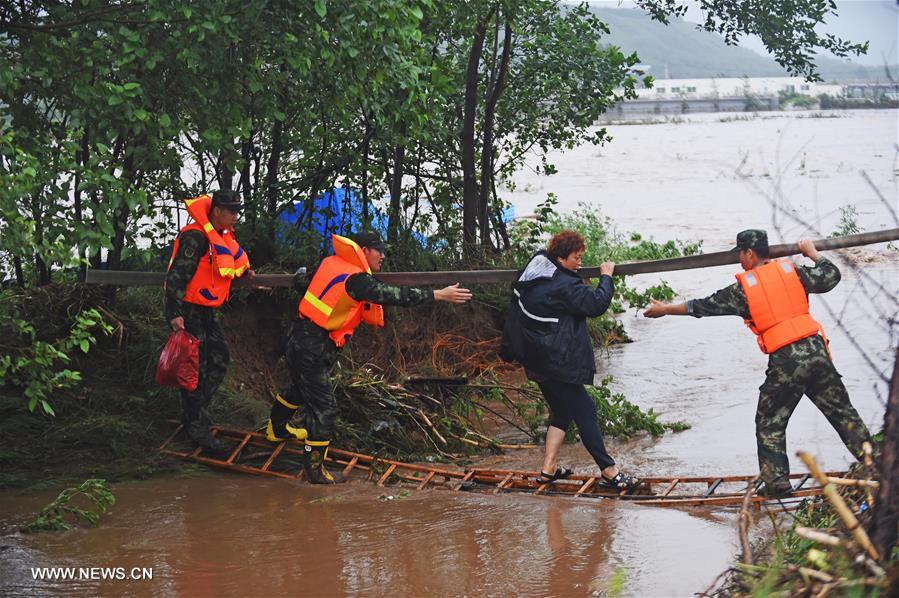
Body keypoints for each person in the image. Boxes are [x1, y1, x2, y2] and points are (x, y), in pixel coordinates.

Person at [643, 229, 872, 497]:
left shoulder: (744, 290)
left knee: (770, 421)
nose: (739, 261)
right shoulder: (793, 273)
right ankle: (875, 463)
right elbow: (831, 275)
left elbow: (702, 306)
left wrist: (665, 309)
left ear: (749, 253)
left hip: (788, 361)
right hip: (817, 351)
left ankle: (776, 484)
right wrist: (812, 253)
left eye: (740, 254)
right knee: (843, 413)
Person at [266, 231, 472, 483]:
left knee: (301, 390)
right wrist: (438, 295)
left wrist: (299, 276)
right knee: (325, 408)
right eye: (379, 250)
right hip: (312, 345)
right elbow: (394, 296)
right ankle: (315, 471)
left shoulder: (330, 263)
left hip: (299, 336)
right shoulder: (357, 279)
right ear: (363, 251)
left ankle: (276, 430)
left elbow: (303, 282)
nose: (383, 256)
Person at [500, 230, 639, 491]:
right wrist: (606, 276)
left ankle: (548, 469)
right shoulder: (564, 285)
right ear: (562, 257)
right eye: (577, 258)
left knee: (562, 411)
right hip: (555, 360)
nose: (579, 262)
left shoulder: (536, 266)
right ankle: (609, 471)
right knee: (585, 410)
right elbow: (596, 304)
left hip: (534, 357)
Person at [164, 191, 254, 451]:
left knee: (219, 360)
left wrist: (245, 272)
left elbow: (226, 266)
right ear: (217, 211)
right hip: (188, 312)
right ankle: (196, 428)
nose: (236, 216)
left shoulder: (222, 237)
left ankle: (195, 415)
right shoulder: (196, 237)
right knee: (194, 370)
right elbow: (177, 276)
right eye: (232, 211)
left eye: (238, 210)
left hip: (206, 312)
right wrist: (174, 313)